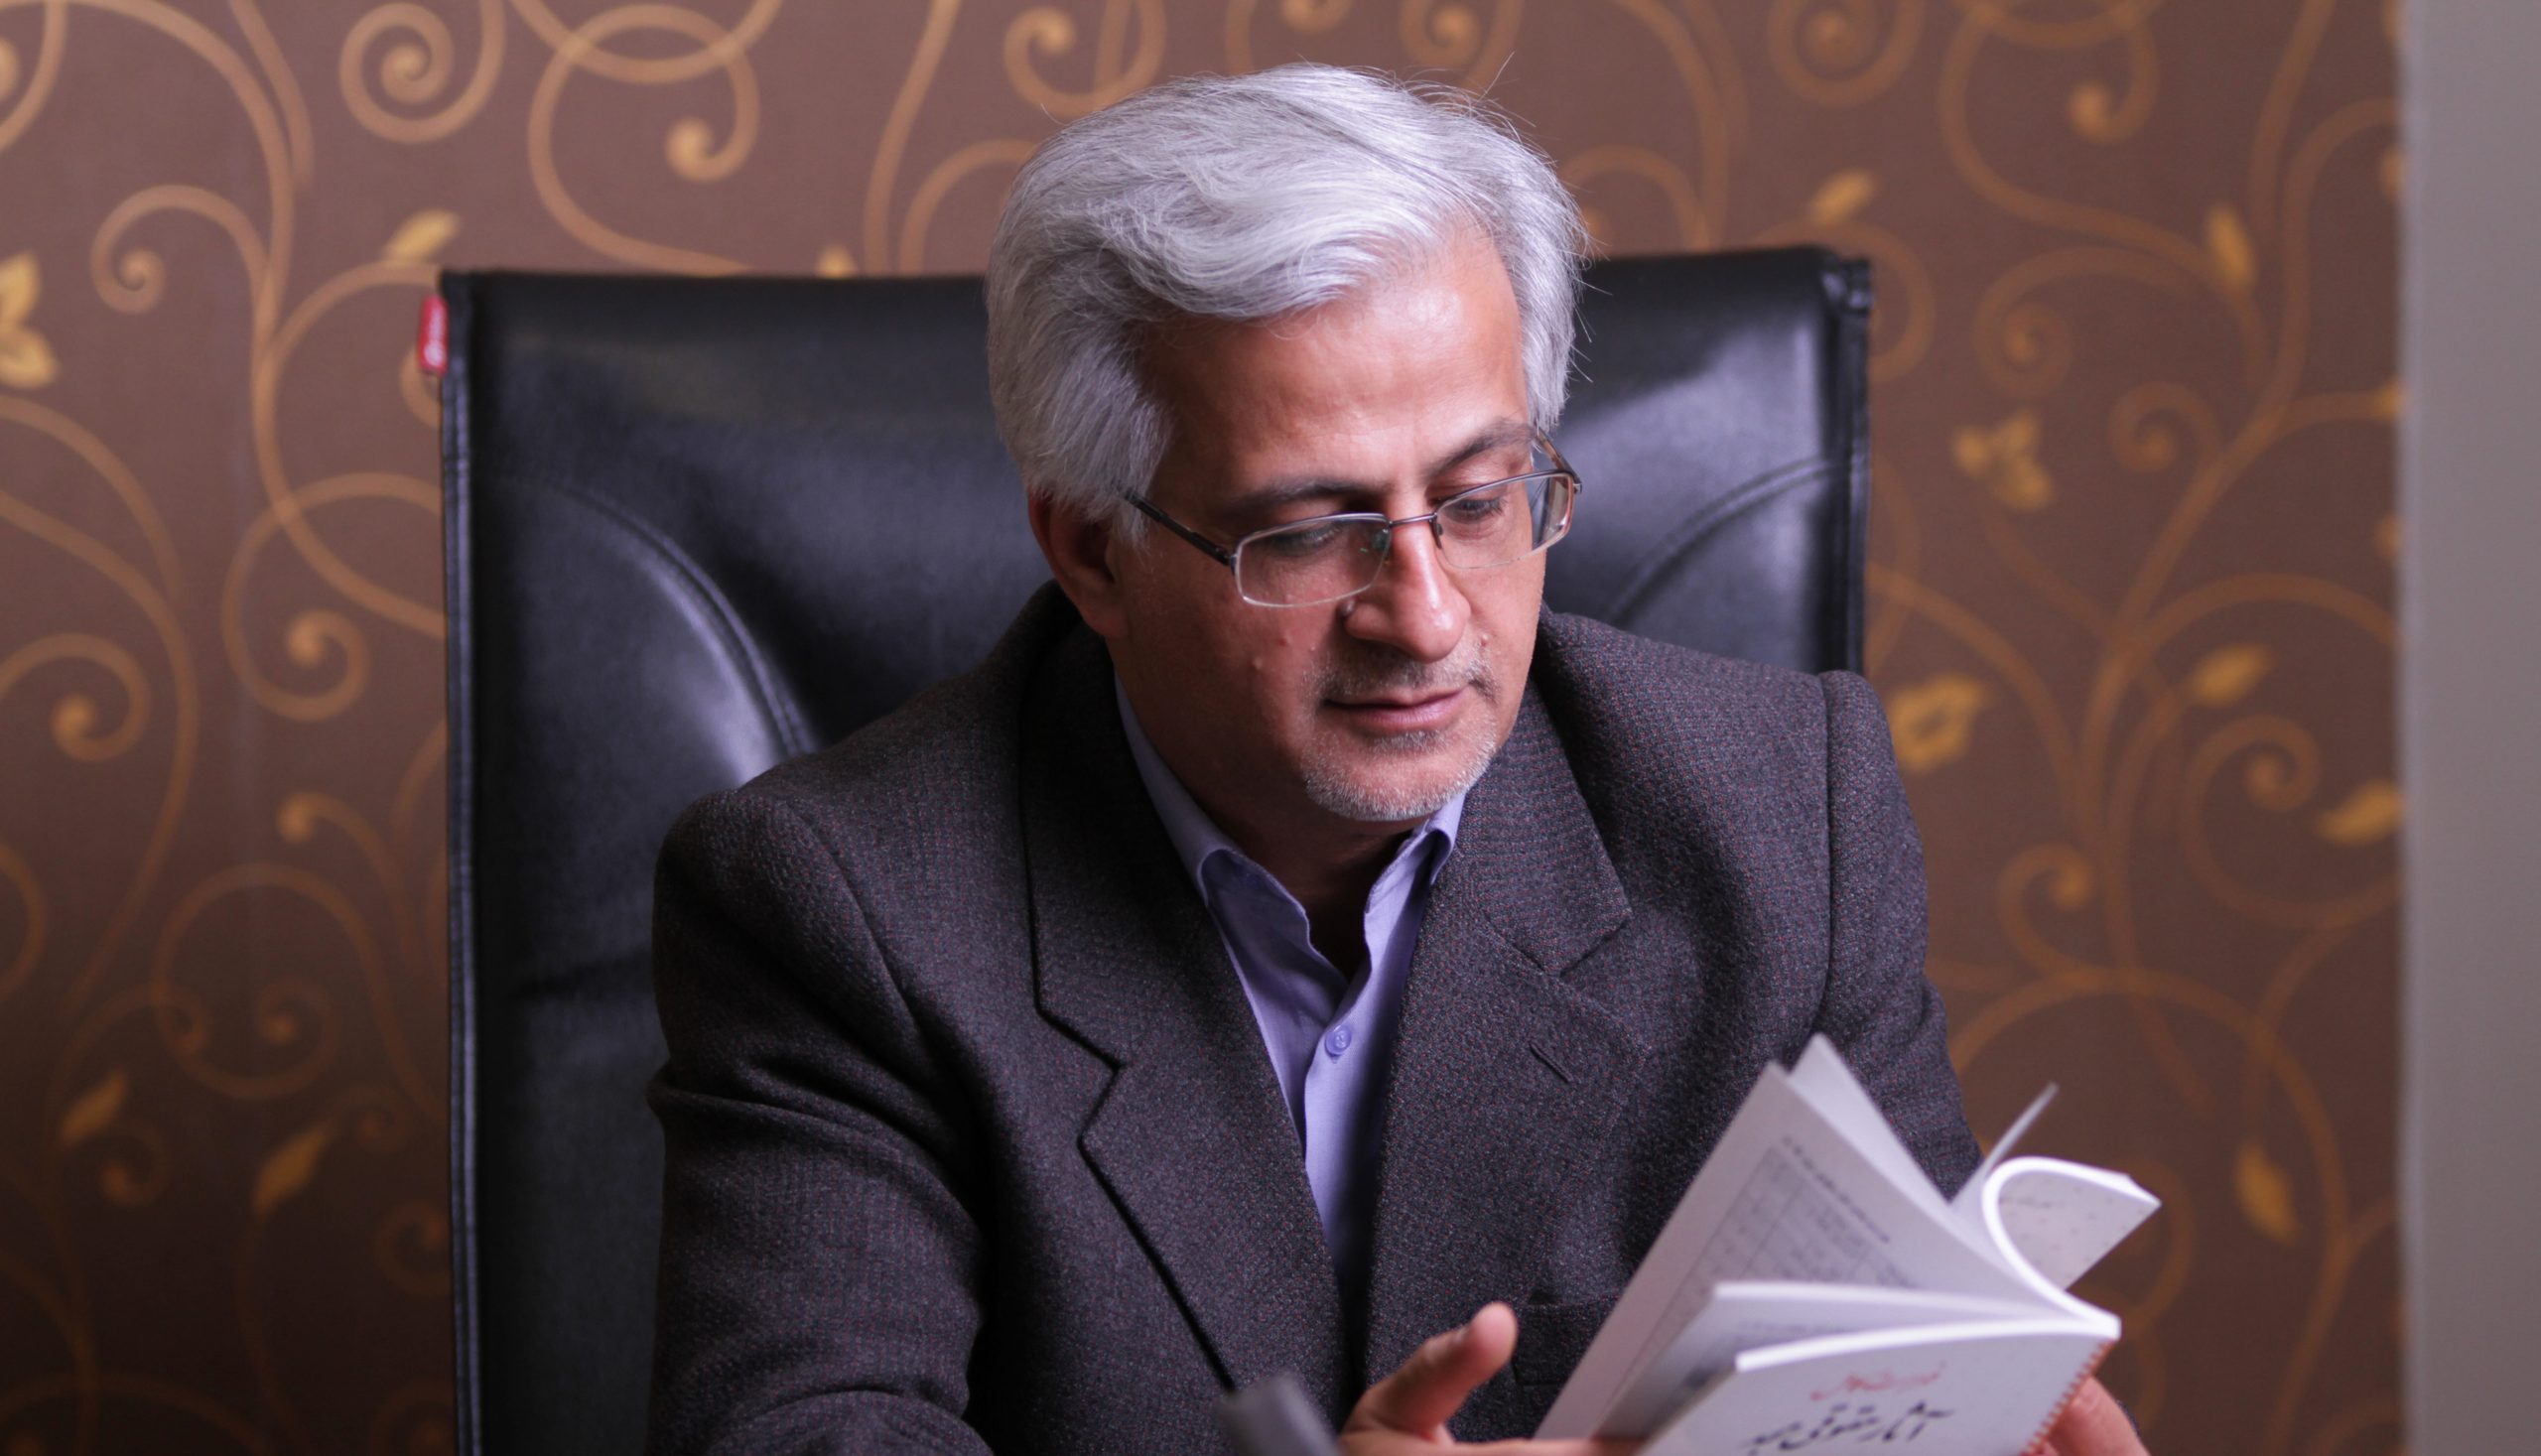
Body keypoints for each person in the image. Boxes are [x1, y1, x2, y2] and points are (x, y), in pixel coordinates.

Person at [643, 64, 2147, 1456]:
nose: (1425, 618)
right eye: (1311, 534)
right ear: (1093, 549)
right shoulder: (840, 907)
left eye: (1481, 502)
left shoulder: (1780, 819)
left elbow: (1901, 1385)